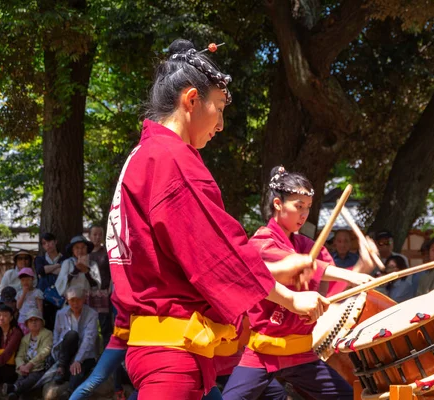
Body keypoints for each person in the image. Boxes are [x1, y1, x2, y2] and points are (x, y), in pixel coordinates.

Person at [105, 38, 328, 400]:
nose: (221, 124)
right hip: (172, 352)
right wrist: (290, 298)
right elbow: (217, 253)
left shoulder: (143, 155)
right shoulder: (170, 160)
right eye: (220, 108)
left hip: (160, 343)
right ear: (191, 100)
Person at [222, 166, 372, 400]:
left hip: (301, 352)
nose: (304, 214)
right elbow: (290, 266)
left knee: (345, 397)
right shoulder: (262, 242)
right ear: (278, 204)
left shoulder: (306, 244)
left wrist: (358, 269)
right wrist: (347, 274)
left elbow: (325, 282)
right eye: (298, 206)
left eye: (308, 208)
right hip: (263, 351)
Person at [52, 287, 99, 398]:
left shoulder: (92, 314)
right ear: (67, 301)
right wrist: (58, 357)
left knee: (79, 368)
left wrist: (78, 359)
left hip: (86, 354)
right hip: (66, 353)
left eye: (78, 300)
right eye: (72, 300)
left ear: (83, 299)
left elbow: (89, 339)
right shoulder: (61, 314)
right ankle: (61, 368)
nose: (75, 303)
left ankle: (69, 392)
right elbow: (56, 336)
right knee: (71, 335)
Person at [4, 309, 53, 400]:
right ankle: (14, 392)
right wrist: (21, 365)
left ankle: (14, 389)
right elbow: (19, 355)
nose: (33, 322)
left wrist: (30, 365)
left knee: (31, 378)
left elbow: (45, 351)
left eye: (36, 320)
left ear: (42, 322)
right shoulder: (25, 338)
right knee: (21, 378)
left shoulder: (47, 334)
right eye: (31, 320)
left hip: (40, 368)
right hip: (25, 369)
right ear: (27, 324)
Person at [87, 225, 112, 344]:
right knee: (90, 326)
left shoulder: (107, 252)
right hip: (88, 293)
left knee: (105, 325)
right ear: (89, 236)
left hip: (104, 293)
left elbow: (113, 272)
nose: (97, 237)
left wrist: (110, 289)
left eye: (100, 235)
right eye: (94, 234)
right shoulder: (85, 253)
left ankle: (107, 353)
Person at [0, 305, 23, 394]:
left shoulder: (16, 333)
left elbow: (7, 353)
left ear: (11, 318)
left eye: (4, 315)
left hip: (8, 368)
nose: (1, 318)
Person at [35, 232, 64, 331]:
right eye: (44, 243)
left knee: (61, 326)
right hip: (44, 298)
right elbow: (40, 271)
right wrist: (57, 266)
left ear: (55, 242)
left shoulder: (65, 258)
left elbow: (64, 272)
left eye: (49, 242)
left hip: (61, 297)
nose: (48, 245)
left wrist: (47, 270)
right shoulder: (40, 259)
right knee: (46, 326)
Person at [15, 269, 43, 336]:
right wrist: (24, 294)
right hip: (22, 321)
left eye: (28, 279)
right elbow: (18, 306)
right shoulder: (19, 293)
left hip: (33, 321)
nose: (25, 282)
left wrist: (39, 320)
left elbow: (40, 308)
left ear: (32, 279)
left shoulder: (37, 292)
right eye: (23, 280)